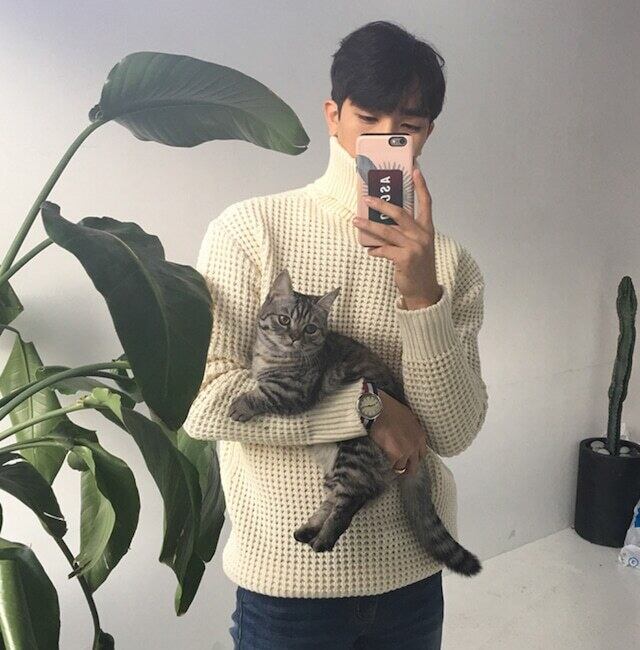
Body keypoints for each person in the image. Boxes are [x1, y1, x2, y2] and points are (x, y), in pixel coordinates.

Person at [184, 19, 488, 650]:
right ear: (333, 116)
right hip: (289, 588)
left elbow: (452, 433)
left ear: (428, 132)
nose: (385, 138)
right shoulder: (252, 230)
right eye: (368, 118)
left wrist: (421, 294)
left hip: (412, 579)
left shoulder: (449, 264)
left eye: (408, 124)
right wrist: (365, 410)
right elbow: (205, 402)